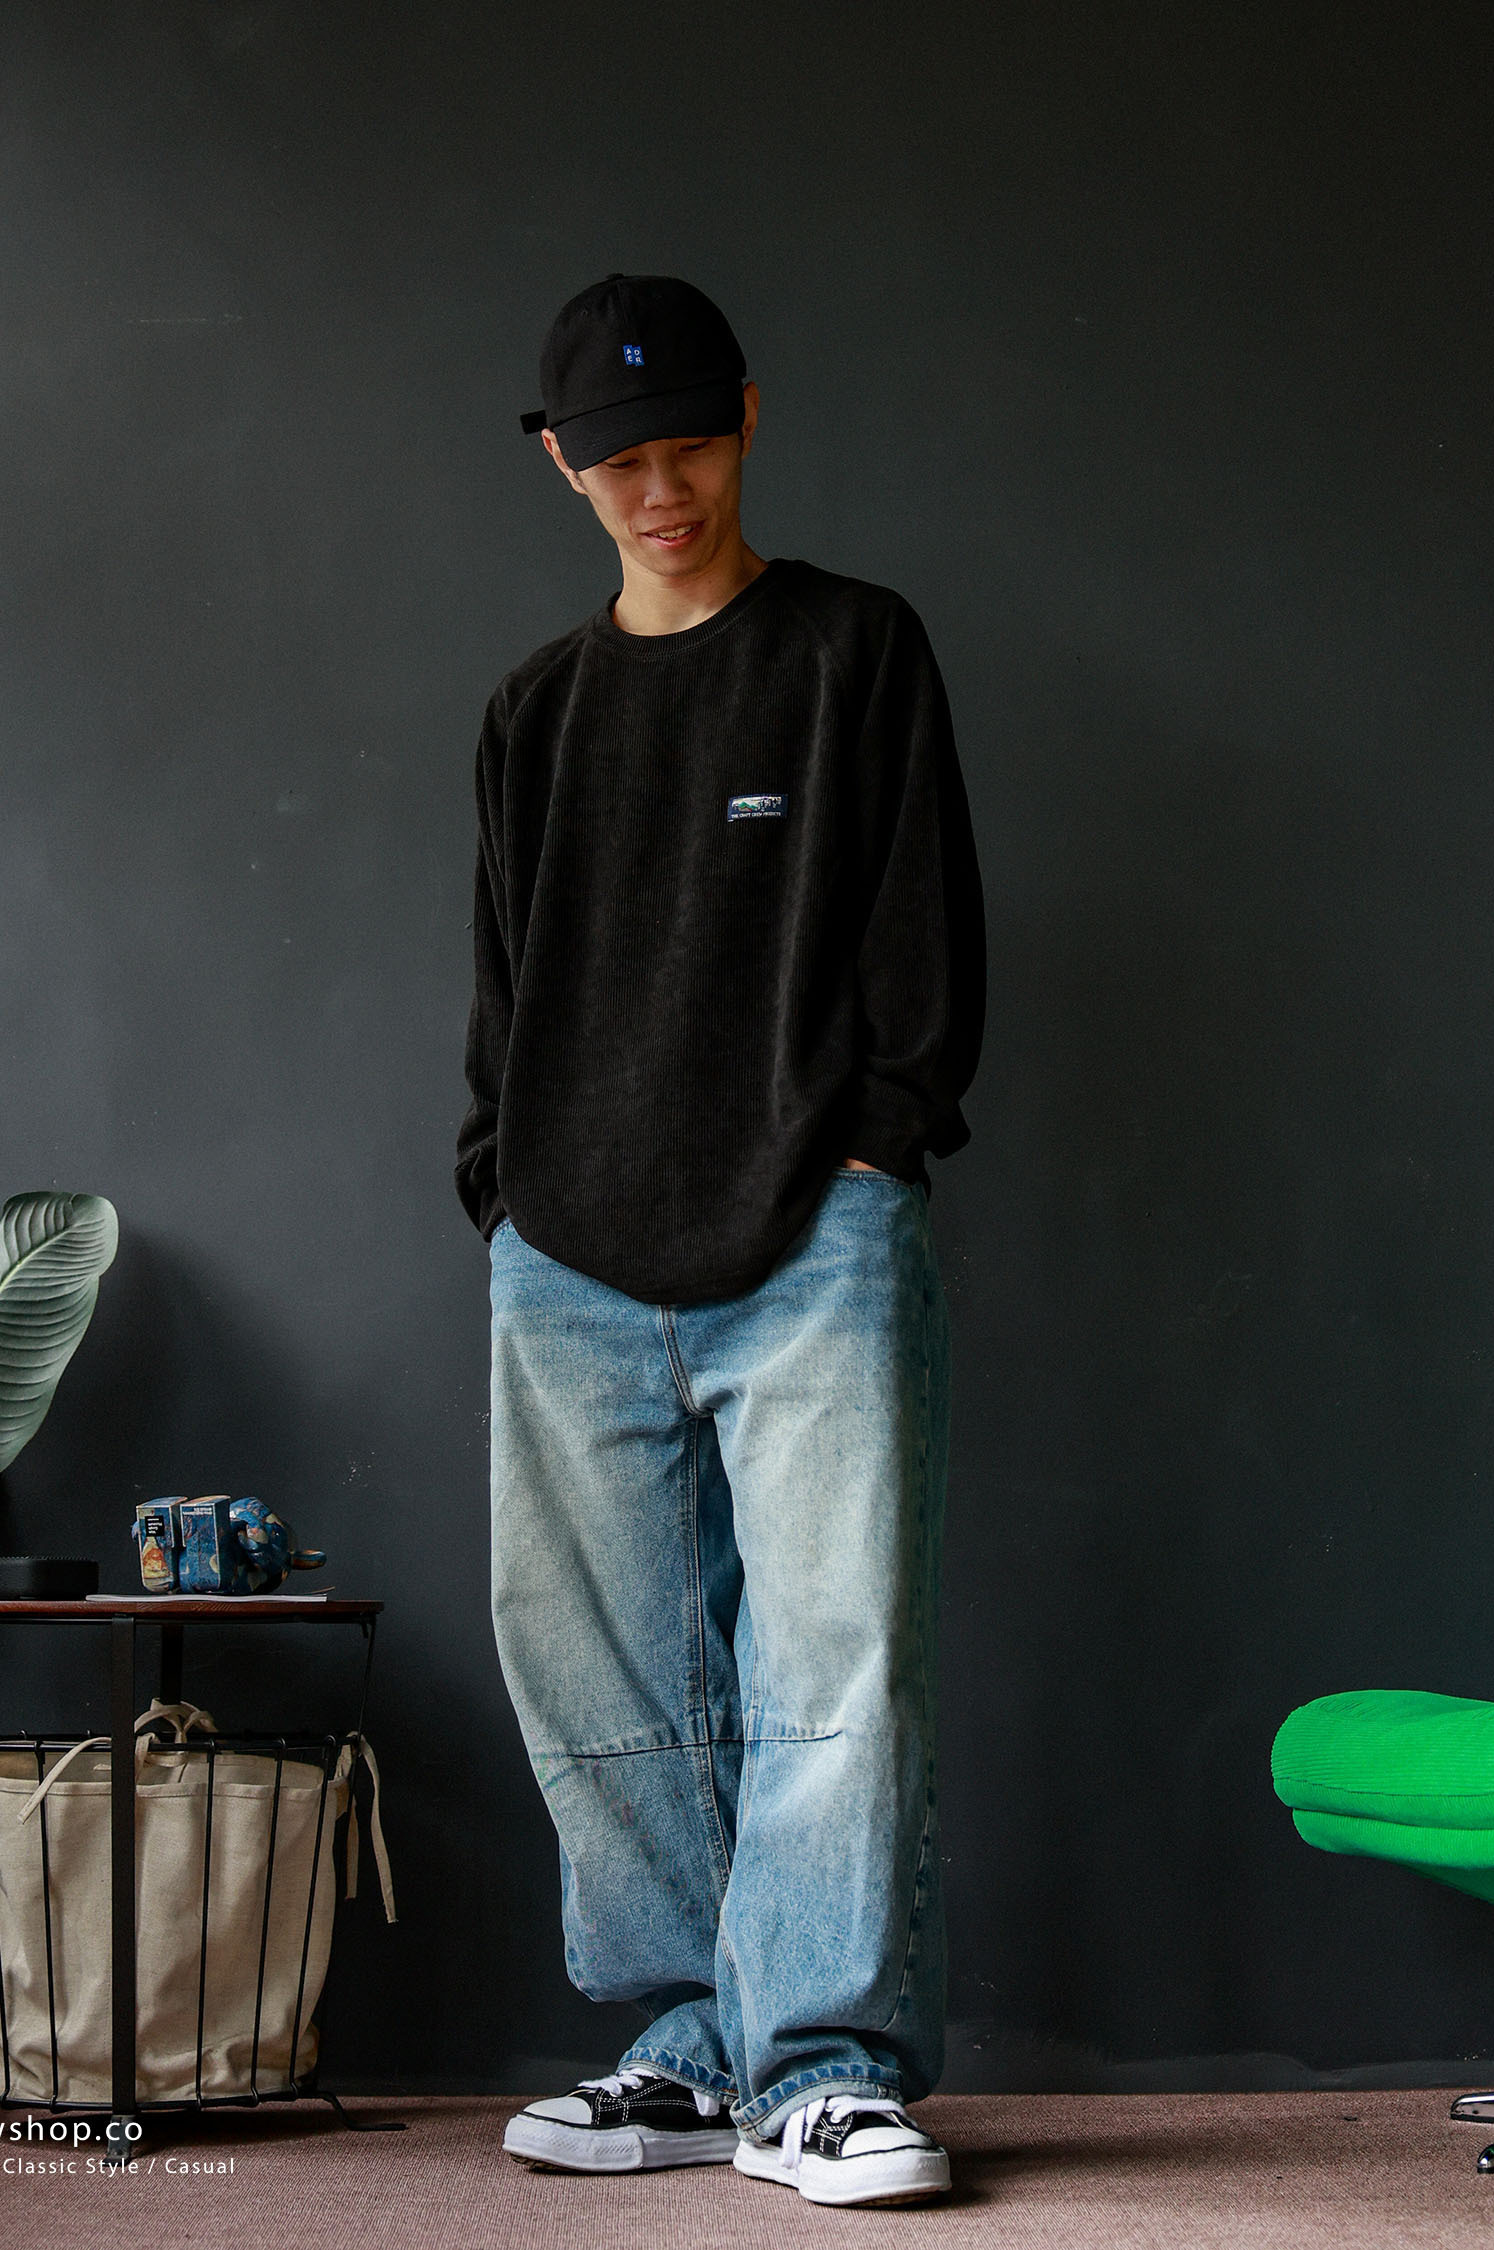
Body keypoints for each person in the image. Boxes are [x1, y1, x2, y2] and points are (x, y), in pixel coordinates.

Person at [455, 273, 985, 2210]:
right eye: (618, 464)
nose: (658, 491)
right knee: (600, 1673)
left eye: (687, 446)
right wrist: (502, 1185)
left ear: (748, 419)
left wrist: (874, 1146)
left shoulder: (853, 651)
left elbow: (922, 929)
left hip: (815, 1229)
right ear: (559, 463)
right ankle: (686, 2047)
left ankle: (827, 2071)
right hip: (566, 1253)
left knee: (836, 1661)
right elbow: (506, 981)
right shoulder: (536, 709)